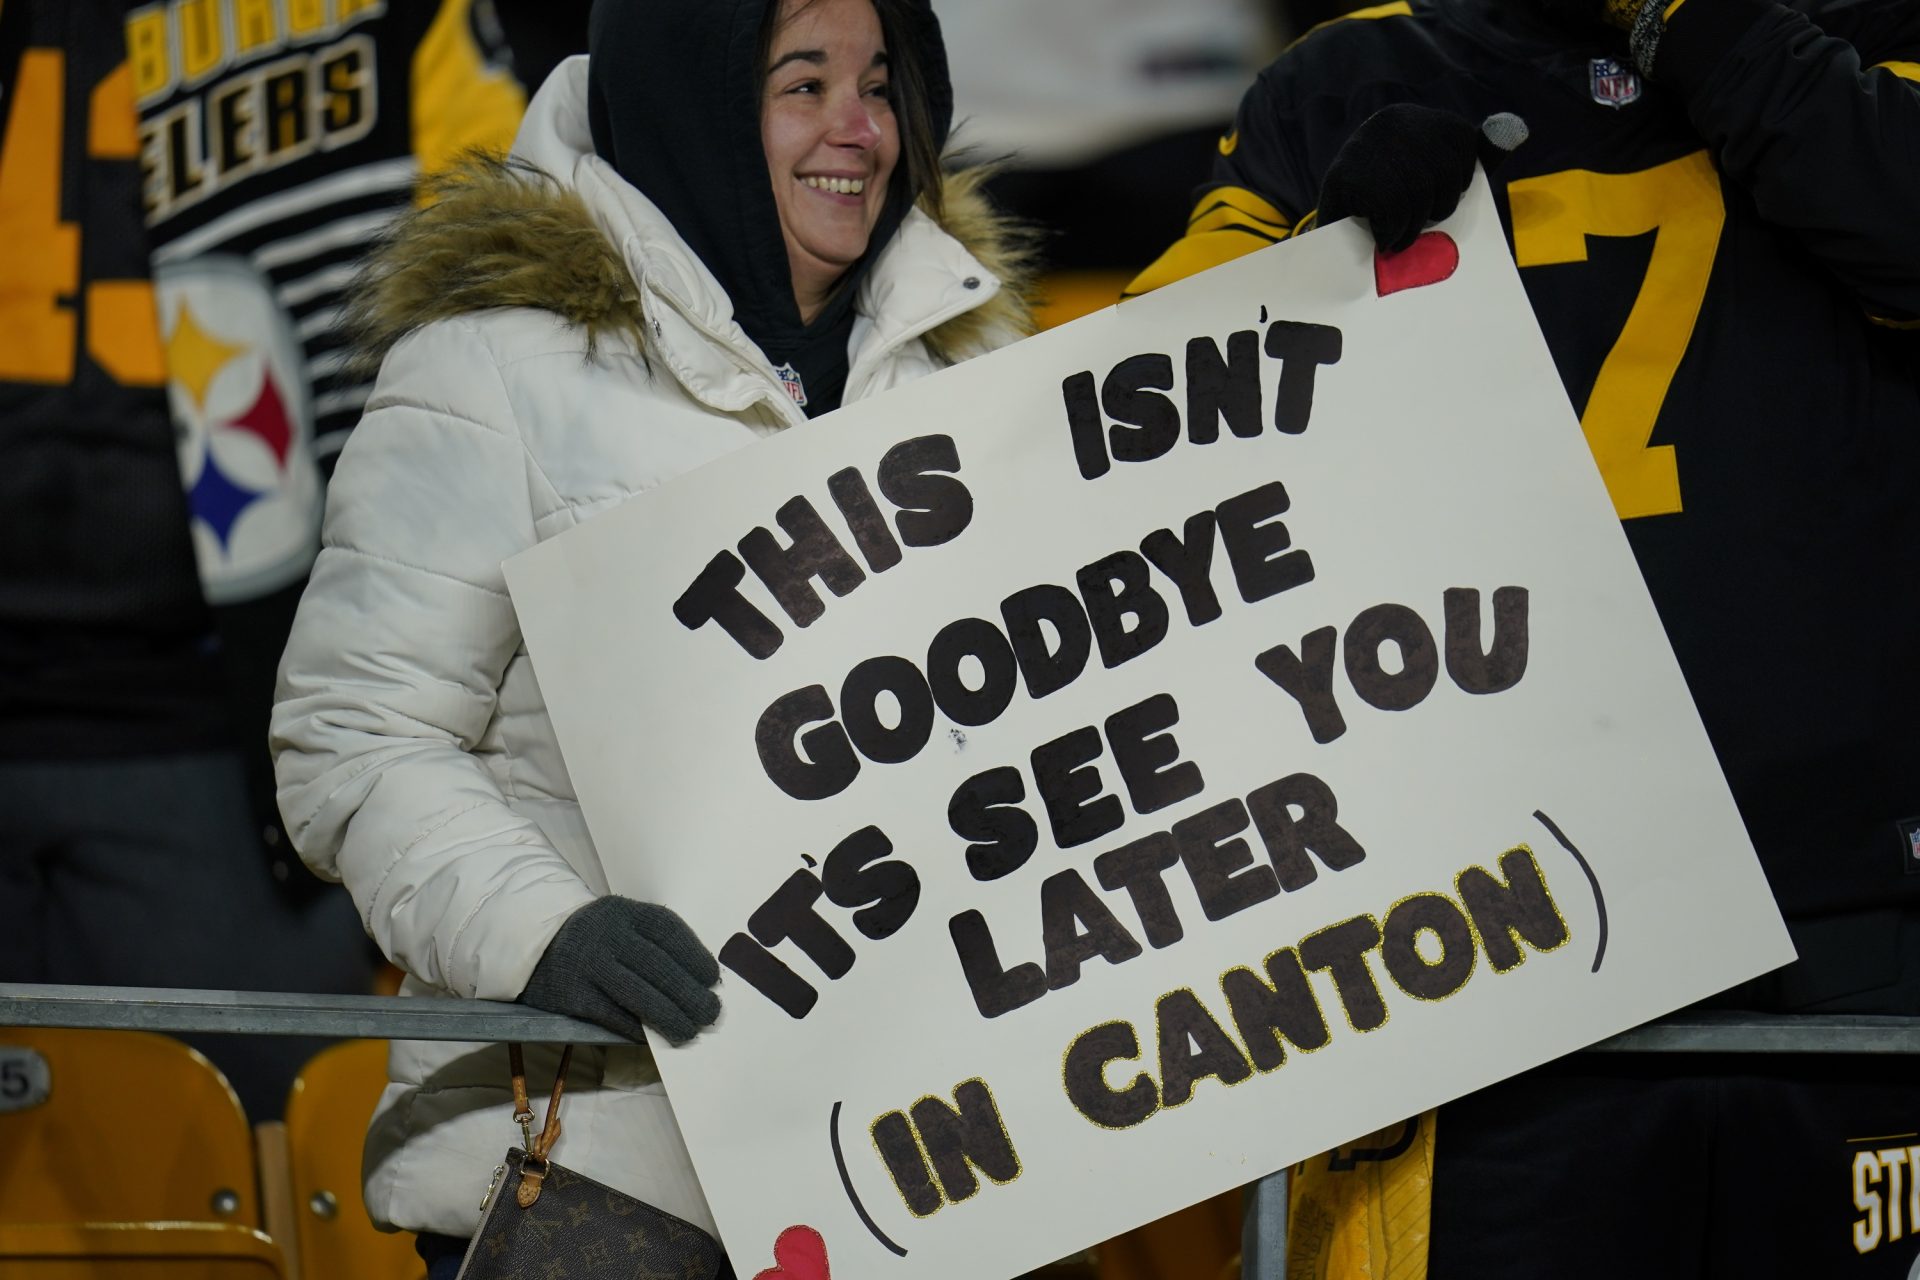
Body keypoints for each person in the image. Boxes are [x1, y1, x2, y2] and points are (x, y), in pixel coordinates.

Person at [1125, 0, 1919, 1275]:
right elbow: (1130, 432)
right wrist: (1316, 270)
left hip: (1847, 948)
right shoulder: (1343, 76)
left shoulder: (1874, 42)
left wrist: (1708, 31)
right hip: (1486, 971)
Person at [269, 0, 1034, 1274]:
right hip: (605, 1172)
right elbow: (353, 736)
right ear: (698, 99)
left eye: (883, 85)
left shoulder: (979, 355)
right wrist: (542, 933)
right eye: (804, 84)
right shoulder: (493, 368)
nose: (861, 130)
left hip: (929, 1169)